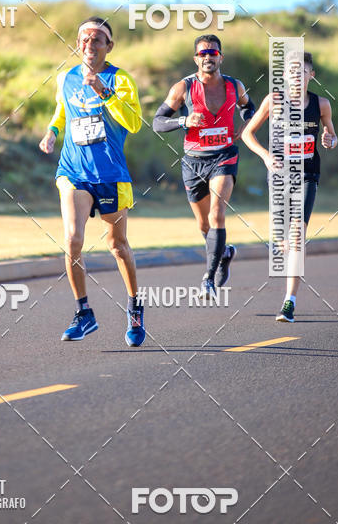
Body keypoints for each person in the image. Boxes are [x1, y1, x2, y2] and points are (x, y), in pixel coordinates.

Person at [38, 17, 146, 347]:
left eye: (98, 38)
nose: (89, 42)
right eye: (84, 37)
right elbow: (62, 110)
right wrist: (52, 132)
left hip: (111, 174)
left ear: (109, 46)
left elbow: (135, 122)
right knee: (72, 239)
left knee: (117, 245)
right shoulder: (66, 77)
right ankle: (84, 313)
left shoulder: (121, 78)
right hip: (74, 170)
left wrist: (104, 90)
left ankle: (134, 309)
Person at [152, 35, 255, 297]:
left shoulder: (235, 85)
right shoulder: (183, 88)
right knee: (203, 225)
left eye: (213, 52)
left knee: (217, 213)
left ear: (221, 56)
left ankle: (208, 278)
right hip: (193, 162)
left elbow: (248, 107)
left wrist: (248, 123)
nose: (208, 57)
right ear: (196, 58)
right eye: (203, 53)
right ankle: (224, 254)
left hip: (224, 157)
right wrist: (184, 121)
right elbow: (158, 122)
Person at [241, 51, 337, 322]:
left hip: (308, 175)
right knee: (285, 243)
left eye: (302, 70)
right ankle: (280, 243)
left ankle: (289, 302)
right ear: (284, 75)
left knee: (296, 237)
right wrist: (266, 156)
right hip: (280, 177)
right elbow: (247, 133)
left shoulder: (321, 105)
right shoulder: (274, 101)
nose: (297, 74)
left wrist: (331, 139)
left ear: (311, 75)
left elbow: (331, 134)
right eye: (292, 70)